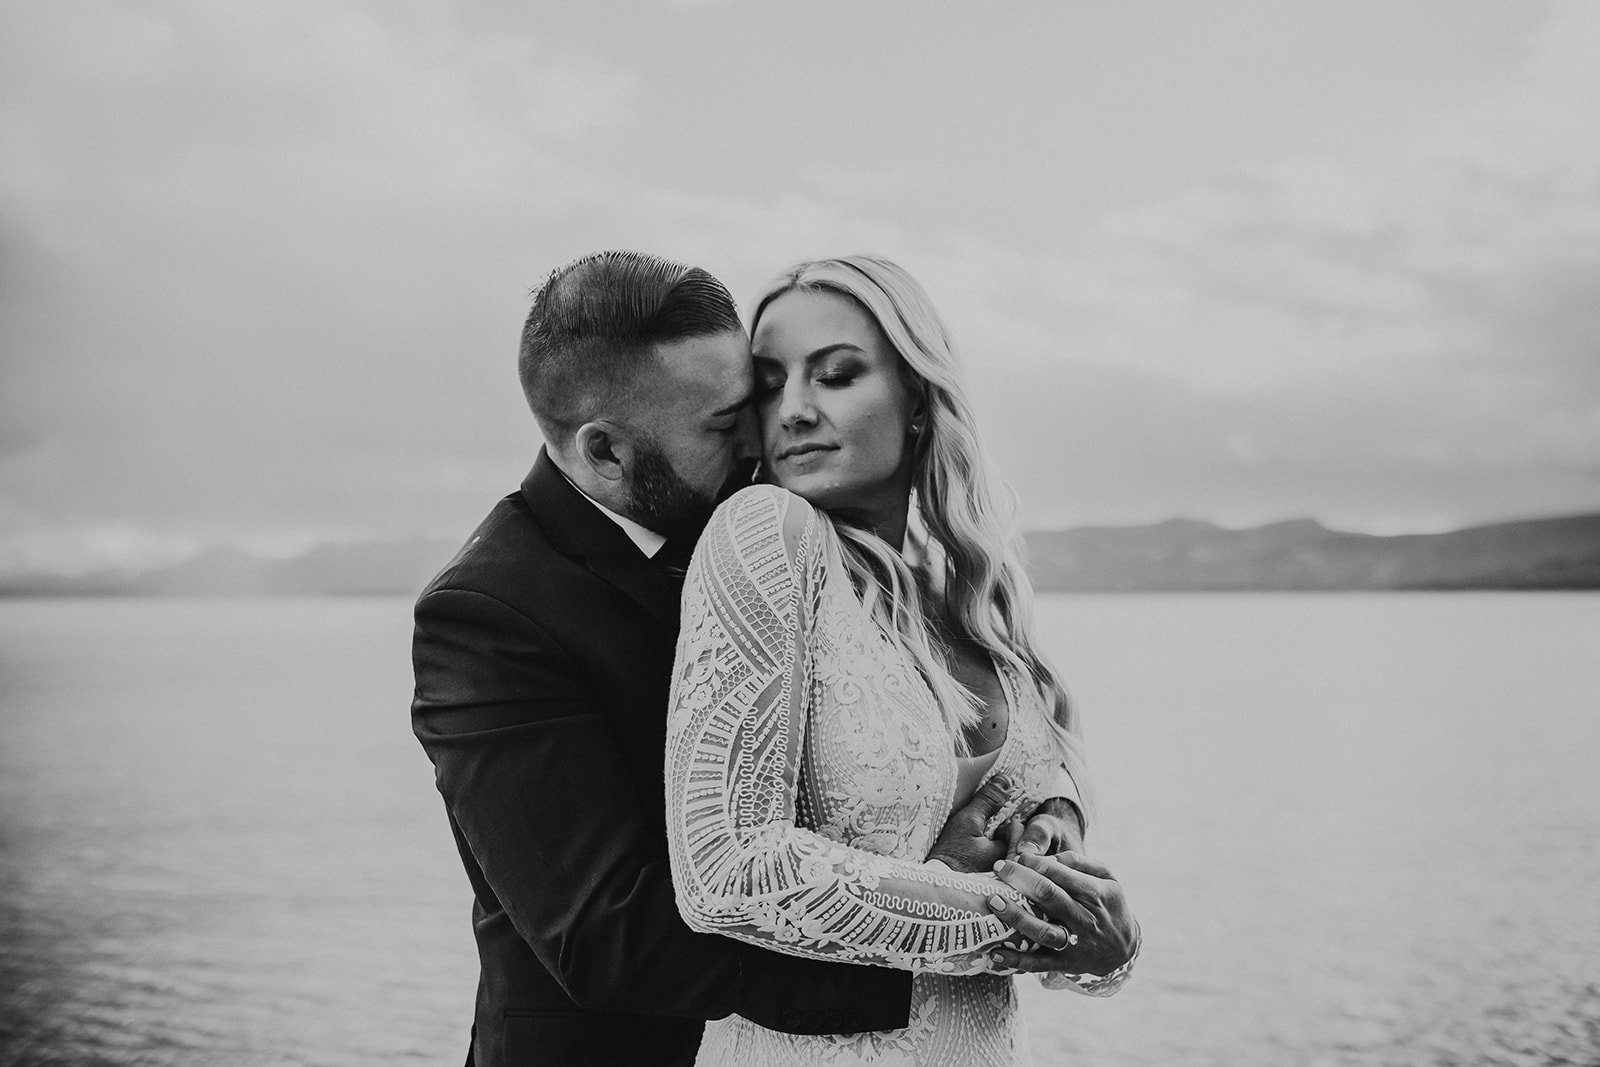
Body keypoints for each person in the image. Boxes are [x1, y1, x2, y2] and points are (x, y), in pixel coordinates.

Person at [411, 250, 1102, 1067]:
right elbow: (612, 937)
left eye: (754, 394)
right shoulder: (489, 613)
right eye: (726, 419)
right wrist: (983, 928)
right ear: (605, 454)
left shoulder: (842, 554)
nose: (763, 432)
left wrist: (1047, 820)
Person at [664, 255, 1141, 1065]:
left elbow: (1039, 788)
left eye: (838, 375)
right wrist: (1015, 920)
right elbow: (727, 871)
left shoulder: (965, 590)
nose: (796, 411)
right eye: (771, 384)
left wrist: (1075, 869)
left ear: (917, 401)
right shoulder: (764, 531)